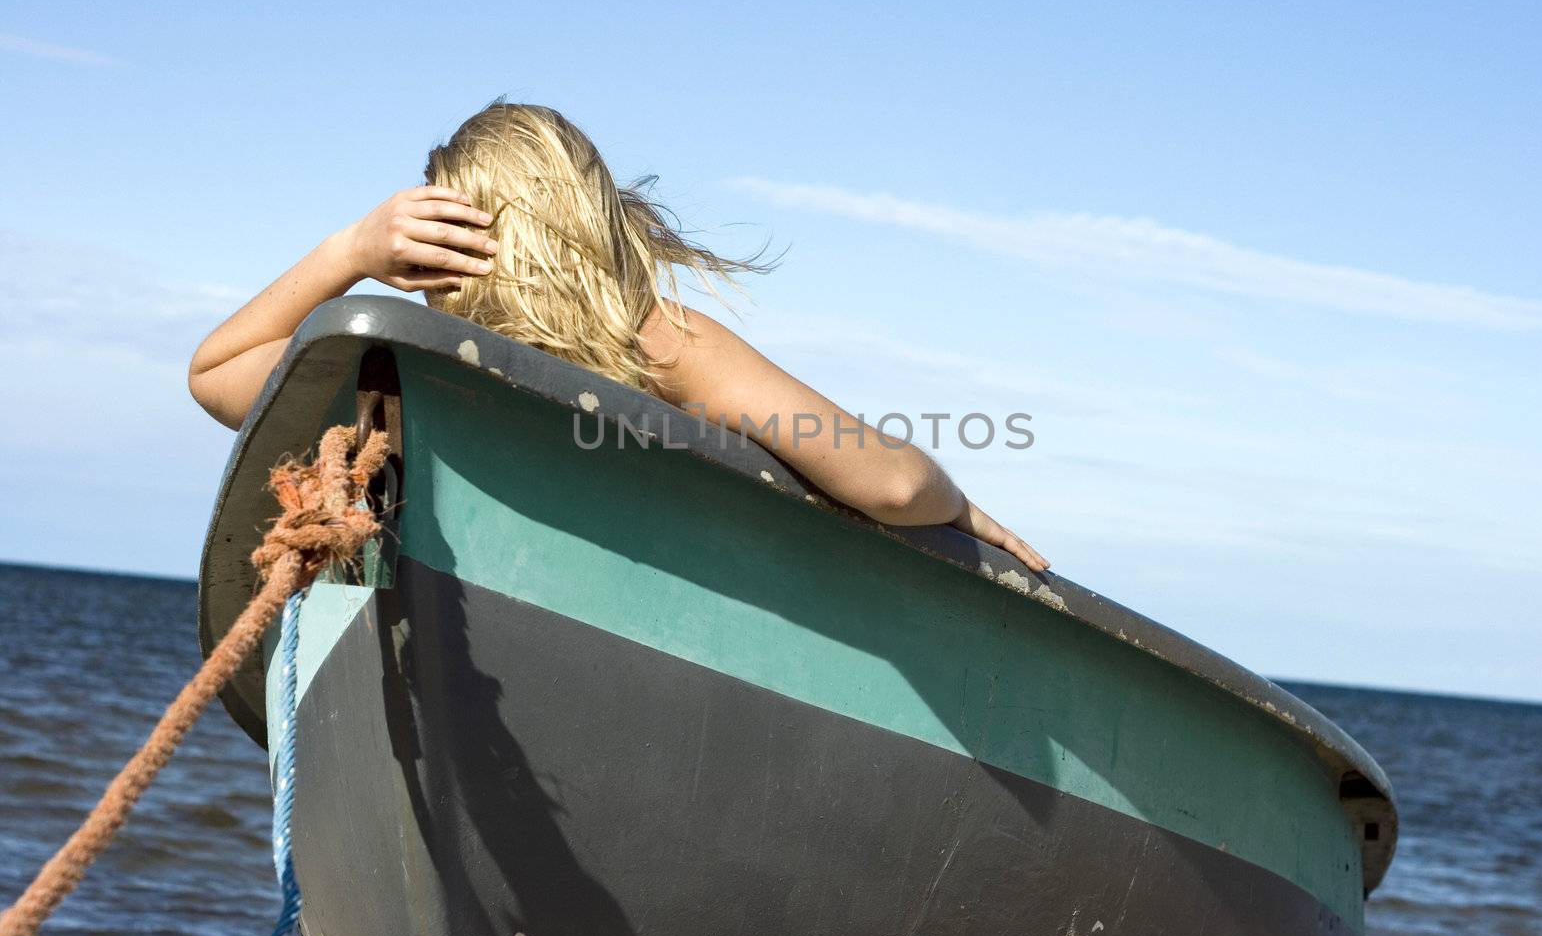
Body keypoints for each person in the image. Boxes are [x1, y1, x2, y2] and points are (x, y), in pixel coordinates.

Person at [189, 101, 1048, 572]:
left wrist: (349, 252)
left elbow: (215, 373)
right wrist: (956, 502)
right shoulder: (657, 345)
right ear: (585, 212)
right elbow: (894, 488)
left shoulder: (401, 360)